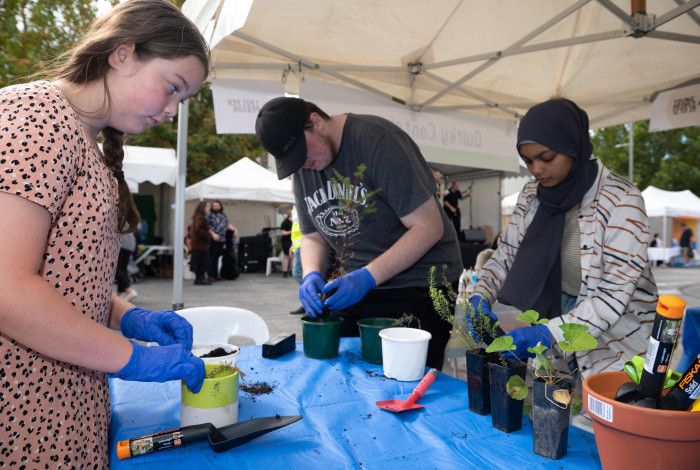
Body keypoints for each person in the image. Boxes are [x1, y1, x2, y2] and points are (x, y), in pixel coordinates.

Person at [0, 2, 209, 467]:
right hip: (24, 410)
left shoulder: (84, 138)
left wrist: (127, 316)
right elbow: (7, 288)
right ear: (123, 55)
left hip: (67, 403)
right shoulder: (34, 118)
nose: (172, 111)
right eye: (172, 88)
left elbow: (64, 277)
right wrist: (133, 357)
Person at [255, 97, 462, 369]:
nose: (304, 165)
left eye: (303, 155)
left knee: (403, 378)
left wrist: (367, 277)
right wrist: (312, 274)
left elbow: (428, 227)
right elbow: (311, 236)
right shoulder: (305, 166)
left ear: (316, 123)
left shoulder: (378, 141)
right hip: (357, 285)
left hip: (420, 283)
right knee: (339, 370)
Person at [471, 98, 658, 378]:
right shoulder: (531, 196)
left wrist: (549, 333)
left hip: (617, 347)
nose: (536, 169)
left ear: (573, 146)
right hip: (555, 336)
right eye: (528, 160)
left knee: (600, 418)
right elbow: (504, 256)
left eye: (546, 158)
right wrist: (480, 295)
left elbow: (613, 295)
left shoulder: (622, 201)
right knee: (556, 412)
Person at [206, 200, 236, 280]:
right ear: (212, 207)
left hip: (222, 239)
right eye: (214, 206)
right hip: (213, 238)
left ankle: (216, 275)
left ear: (220, 206)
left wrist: (235, 230)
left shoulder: (223, 215)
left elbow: (227, 224)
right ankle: (210, 275)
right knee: (212, 257)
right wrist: (213, 234)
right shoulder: (209, 214)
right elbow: (206, 226)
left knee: (217, 257)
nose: (216, 207)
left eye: (217, 206)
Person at [190, 201, 213, 285]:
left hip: (198, 243)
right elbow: (198, 229)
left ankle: (199, 278)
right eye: (207, 206)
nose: (209, 208)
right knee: (203, 261)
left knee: (200, 261)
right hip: (200, 243)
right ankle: (200, 279)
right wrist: (208, 235)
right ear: (202, 207)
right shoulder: (200, 216)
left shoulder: (199, 215)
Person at [116, 231, 138, 301]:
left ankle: (129, 290)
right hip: (130, 243)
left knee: (117, 269)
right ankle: (120, 294)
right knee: (122, 269)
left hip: (122, 243)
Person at [279, 209, 293, 277]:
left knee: (292, 256)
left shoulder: (295, 222)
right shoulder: (285, 222)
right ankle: (285, 271)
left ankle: (291, 271)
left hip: (293, 241)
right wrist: (291, 232)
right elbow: (282, 232)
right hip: (286, 241)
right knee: (286, 256)